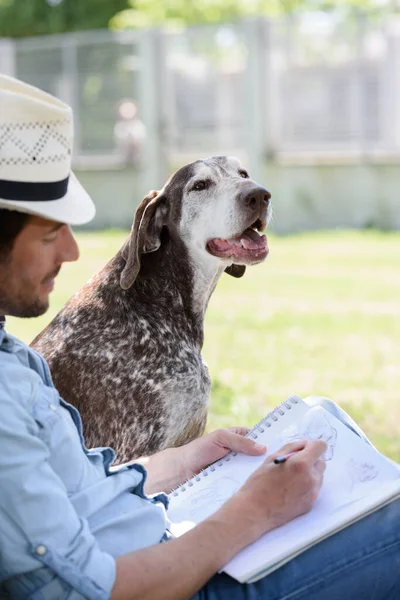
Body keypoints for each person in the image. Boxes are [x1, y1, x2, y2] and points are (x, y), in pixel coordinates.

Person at [0, 74, 399, 600]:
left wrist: (187, 459)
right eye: (53, 232)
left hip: (157, 534)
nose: (75, 253)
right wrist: (252, 512)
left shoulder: (11, 356)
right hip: (173, 580)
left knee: (325, 426)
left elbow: (84, 485)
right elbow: (88, 590)